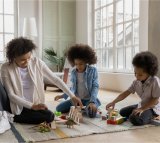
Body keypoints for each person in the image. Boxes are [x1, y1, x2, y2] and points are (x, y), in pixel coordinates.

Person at [1, 37, 83, 124]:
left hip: (34, 105)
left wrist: (72, 96)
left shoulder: (37, 63)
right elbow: (11, 95)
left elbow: (55, 79)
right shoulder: (6, 68)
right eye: (23, 60)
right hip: (14, 104)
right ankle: (11, 114)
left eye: (29, 57)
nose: (27, 61)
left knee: (49, 116)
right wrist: (32, 106)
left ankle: (13, 117)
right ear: (14, 57)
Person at [106, 51, 160, 126]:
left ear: (149, 72)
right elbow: (126, 93)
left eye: (140, 75)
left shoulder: (155, 81)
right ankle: (139, 111)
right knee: (122, 112)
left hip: (153, 108)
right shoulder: (136, 82)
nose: (137, 77)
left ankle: (153, 115)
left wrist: (142, 109)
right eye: (135, 73)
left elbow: (155, 100)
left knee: (135, 119)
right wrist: (113, 102)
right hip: (142, 105)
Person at [55, 44, 101, 118]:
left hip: (89, 99)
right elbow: (72, 88)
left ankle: (93, 105)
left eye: (81, 64)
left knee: (91, 114)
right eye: (76, 64)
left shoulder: (93, 70)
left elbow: (95, 86)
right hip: (77, 99)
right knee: (58, 109)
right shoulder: (73, 72)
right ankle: (80, 107)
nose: (78, 66)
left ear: (86, 61)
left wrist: (92, 101)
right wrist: (62, 96)